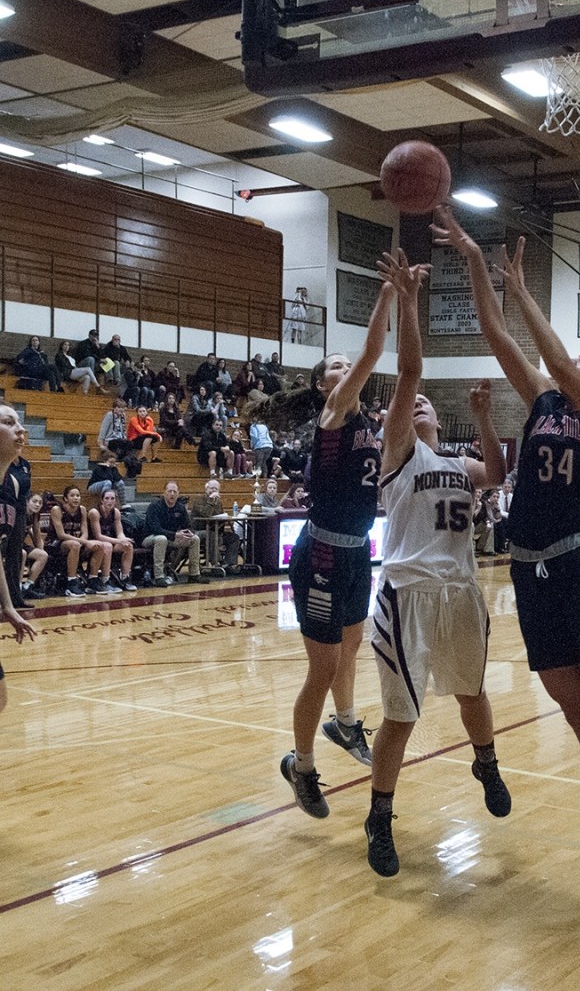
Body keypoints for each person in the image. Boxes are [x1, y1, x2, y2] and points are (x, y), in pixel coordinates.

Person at [433, 207, 580, 882]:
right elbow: (493, 331)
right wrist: (480, 266)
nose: (578, 363)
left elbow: (554, 360)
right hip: (529, 566)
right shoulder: (543, 403)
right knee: (569, 700)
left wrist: (524, 288)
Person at [360, 250, 510, 877]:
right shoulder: (400, 455)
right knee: (402, 715)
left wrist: (483, 418)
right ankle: (380, 817)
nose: (415, 403)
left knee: (472, 692)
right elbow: (410, 369)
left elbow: (498, 473)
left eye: (424, 404)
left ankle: (486, 762)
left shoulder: (457, 462)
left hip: (462, 593)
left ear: (438, 419)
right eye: (408, 402)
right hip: (408, 593)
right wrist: (410, 301)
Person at [251, 279, 391, 820]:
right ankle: (302, 765)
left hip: (357, 551)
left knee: (354, 647)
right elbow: (374, 353)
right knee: (323, 667)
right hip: (324, 553)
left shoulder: (362, 423)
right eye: (334, 366)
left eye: (343, 364)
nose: (344, 368)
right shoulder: (333, 417)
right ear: (323, 386)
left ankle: (346, 721)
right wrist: (388, 293)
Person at [0, 404, 38, 712]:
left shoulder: (11, 485)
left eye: (20, 423)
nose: (20, 429)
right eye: (9, 423)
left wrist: (9, 606)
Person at [48, 484, 115, 596]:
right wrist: (84, 542)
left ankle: (92, 580)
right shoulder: (57, 509)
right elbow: (61, 535)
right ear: (65, 498)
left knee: (100, 545)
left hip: (77, 543)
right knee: (75, 545)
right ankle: (71, 582)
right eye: (72, 495)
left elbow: (85, 533)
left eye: (78, 495)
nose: (76, 498)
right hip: (55, 544)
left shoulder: (82, 510)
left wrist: (84, 542)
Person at [142, 481, 207, 587]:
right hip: (150, 537)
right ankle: (159, 577)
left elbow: (188, 525)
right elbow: (156, 529)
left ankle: (194, 574)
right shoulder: (154, 506)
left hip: (171, 537)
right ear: (164, 493)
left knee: (195, 539)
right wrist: (175, 535)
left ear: (178, 494)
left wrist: (189, 532)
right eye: (169, 491)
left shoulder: (180, 507)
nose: (172, 494)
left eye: (174, 491)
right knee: (161, 539)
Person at [88, 489, 137, 591]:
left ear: (115, 500)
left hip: (109, 541)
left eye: (112, 498)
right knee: (108, 546)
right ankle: (105, 580)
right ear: (102, 500)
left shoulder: (116, 512)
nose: (110, 501)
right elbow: (98, 536)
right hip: (93, 544)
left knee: (128, 546)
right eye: (107, 498)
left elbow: (119, 533)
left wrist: (124, 539)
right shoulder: (95, 512)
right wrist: (119, 541)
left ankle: (125, 578)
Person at [190, 477, 241, 572]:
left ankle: (229, 564)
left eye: (216, 489)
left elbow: (220, 518)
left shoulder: (219, 502)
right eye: (211, 488)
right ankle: (216, 563)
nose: (213, 490)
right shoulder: (198, 500)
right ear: (206, 489)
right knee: (211, 534)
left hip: (215, 531)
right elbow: (206, 515)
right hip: (198, 531)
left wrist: (221, 533)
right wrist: (210, 500)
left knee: (234, 537)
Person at [1, 453, 31, 611]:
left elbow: (26, 490)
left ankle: (15, 598)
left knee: (15, 554)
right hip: (2, 509)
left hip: (19, 512)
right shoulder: (2, 460)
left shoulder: (25, 464)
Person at [21, 492, 50, 600]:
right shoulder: (20, 514)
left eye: (40, 502)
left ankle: (26, 587)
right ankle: (17, 589)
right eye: (34, 501)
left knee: (43, 555)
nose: (37, 504)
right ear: (27, 502)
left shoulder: (34, 516)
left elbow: (37, 539)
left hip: (21, 545)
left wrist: (41, 550)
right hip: (10, 545)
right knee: (22, 554)